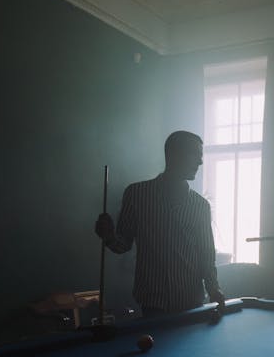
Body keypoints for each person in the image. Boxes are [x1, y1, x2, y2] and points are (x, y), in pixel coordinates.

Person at [95, 131, 225, 316]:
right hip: (153, 302)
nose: (200, 162)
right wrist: (108, 237)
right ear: (173, 155)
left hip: (191, 302)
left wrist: (214, 289)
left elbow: (206, 254)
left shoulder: (200, 206)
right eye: (194, 154)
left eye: (201, 156)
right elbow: (123, 244)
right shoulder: (137, 195)